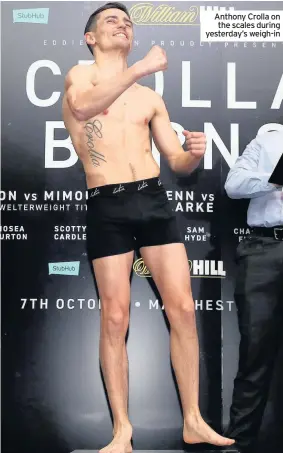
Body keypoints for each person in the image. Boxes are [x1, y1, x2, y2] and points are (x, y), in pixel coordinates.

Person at [62, 3, 234, 452]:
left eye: (127, 21)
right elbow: (82, 111)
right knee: (115, 316)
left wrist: (192, 153)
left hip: (152, 200)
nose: (122, 24)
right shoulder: (81, 77)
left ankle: (193, 420)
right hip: (108, 204)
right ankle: (122, 429)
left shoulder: (148, 98)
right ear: (90, 39)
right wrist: (140, 68)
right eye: (110, 21)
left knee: (183, 310)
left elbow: (175, 161)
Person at [224, 129, 283, 453]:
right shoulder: (270, 140)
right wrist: (275, 178)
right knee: (255, 353)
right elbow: (234, 185)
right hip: (265, 248)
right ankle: (239, 444)